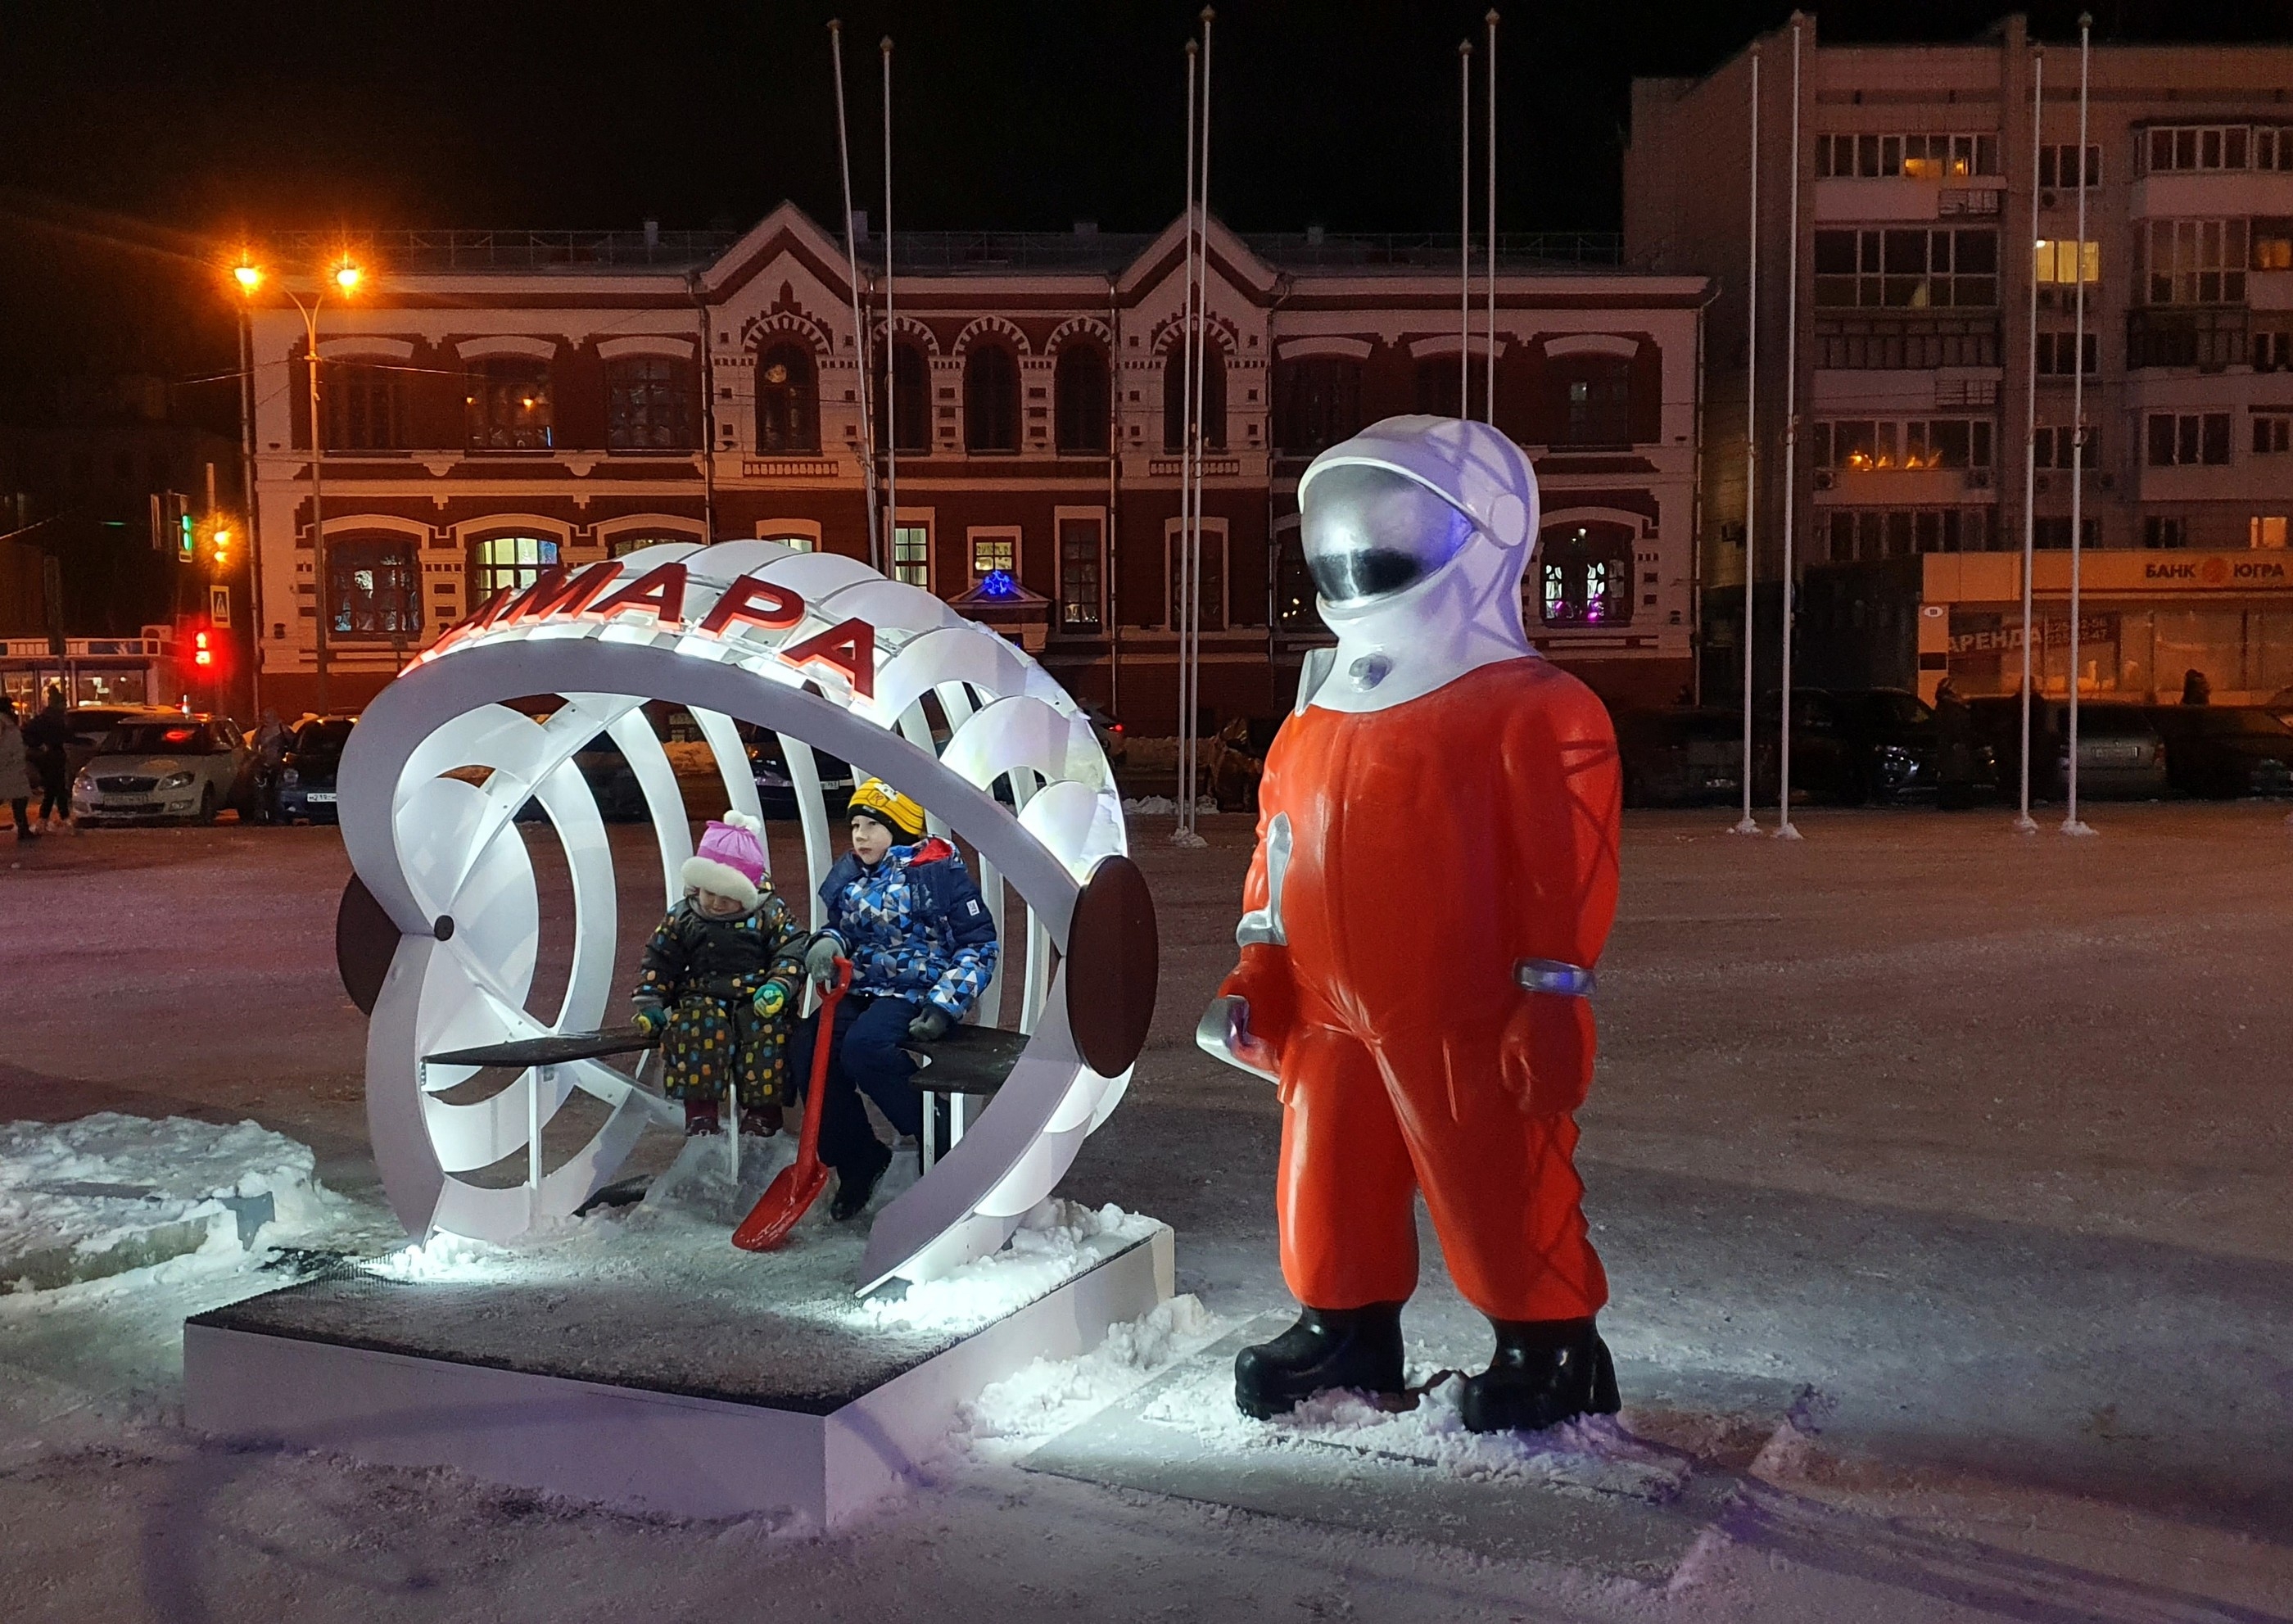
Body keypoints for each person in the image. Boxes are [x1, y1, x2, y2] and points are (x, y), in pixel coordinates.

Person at [1200, 415, 1622, 1435]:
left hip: (1465, 996)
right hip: (1327, 999)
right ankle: (1342, 1324)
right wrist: (1258, 966)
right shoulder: (1309, 719)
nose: (1354, 560)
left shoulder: (1535, 708)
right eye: (1339, 537)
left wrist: (1553, 991)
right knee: (1325, 1166)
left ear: (1486, 532)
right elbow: (1278, 854)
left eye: (1386, 534)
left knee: (1492, 1166)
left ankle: (1548, 1344)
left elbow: (1567, 866)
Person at [794, 779, 999, 1220]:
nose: (860, 836)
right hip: (864, 987)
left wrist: (945, 1004)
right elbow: (844, 929)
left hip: (916, 990)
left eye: (872, 825)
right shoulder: (852, 879)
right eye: (855, 826)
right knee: (807, 1051)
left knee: (866, 1048)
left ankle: (934, 1138)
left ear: (901, 829)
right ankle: (857, 1157)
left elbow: (979, 944)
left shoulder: (937, 874)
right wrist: (828, 942)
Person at [629, 811, 807, 1138]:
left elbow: (791, 948)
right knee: (694, 1030)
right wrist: (651, 999)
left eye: (728, 897)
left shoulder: (770, 912)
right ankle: (700, 1114)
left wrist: (780, 985)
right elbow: (661, 957)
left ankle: (763, 1113)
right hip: (702, 993)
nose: (715, 904)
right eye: (709, 893)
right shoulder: (684, 915)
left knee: (766, 1035)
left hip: (757, 995)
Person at [21, 685, 72, 834]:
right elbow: (28, 734)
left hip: (52, 757)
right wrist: (41, 745)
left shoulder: (50, 718)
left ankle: (43, 822)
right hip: (51, 758)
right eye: (64, 703)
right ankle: (64, 819)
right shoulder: (51, 719)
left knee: (53, 790)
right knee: (57, 789)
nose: (66, 706)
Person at [1932, 677, 1975, 811]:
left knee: (1954, 774)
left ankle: (1954, 802)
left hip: (1954, 744)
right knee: (1955, 775)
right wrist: (1957, 740)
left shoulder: (1950, 704)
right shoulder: (1949, 705)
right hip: (1954, 745)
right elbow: (1952, 725)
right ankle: (1955, 803)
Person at [0, 696, 35, 841]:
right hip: (6, 767)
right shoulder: (2, 722)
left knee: (20, 798)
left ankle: (23, 829)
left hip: (14, 768)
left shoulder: (7, 722)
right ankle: (23, 830)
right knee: (19, 799)